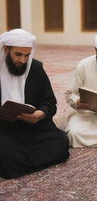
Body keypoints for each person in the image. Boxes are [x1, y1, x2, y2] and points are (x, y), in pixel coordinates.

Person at [0, 29, 69, 179]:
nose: (23, 61)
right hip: (3, 129)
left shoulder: (35, 68)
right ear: (6, 50)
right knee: (6, 154)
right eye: (18, 54)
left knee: (61, 142)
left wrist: (41, 114)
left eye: (27, 55)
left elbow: (49, 102)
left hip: (32, 126)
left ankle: (18, 165)